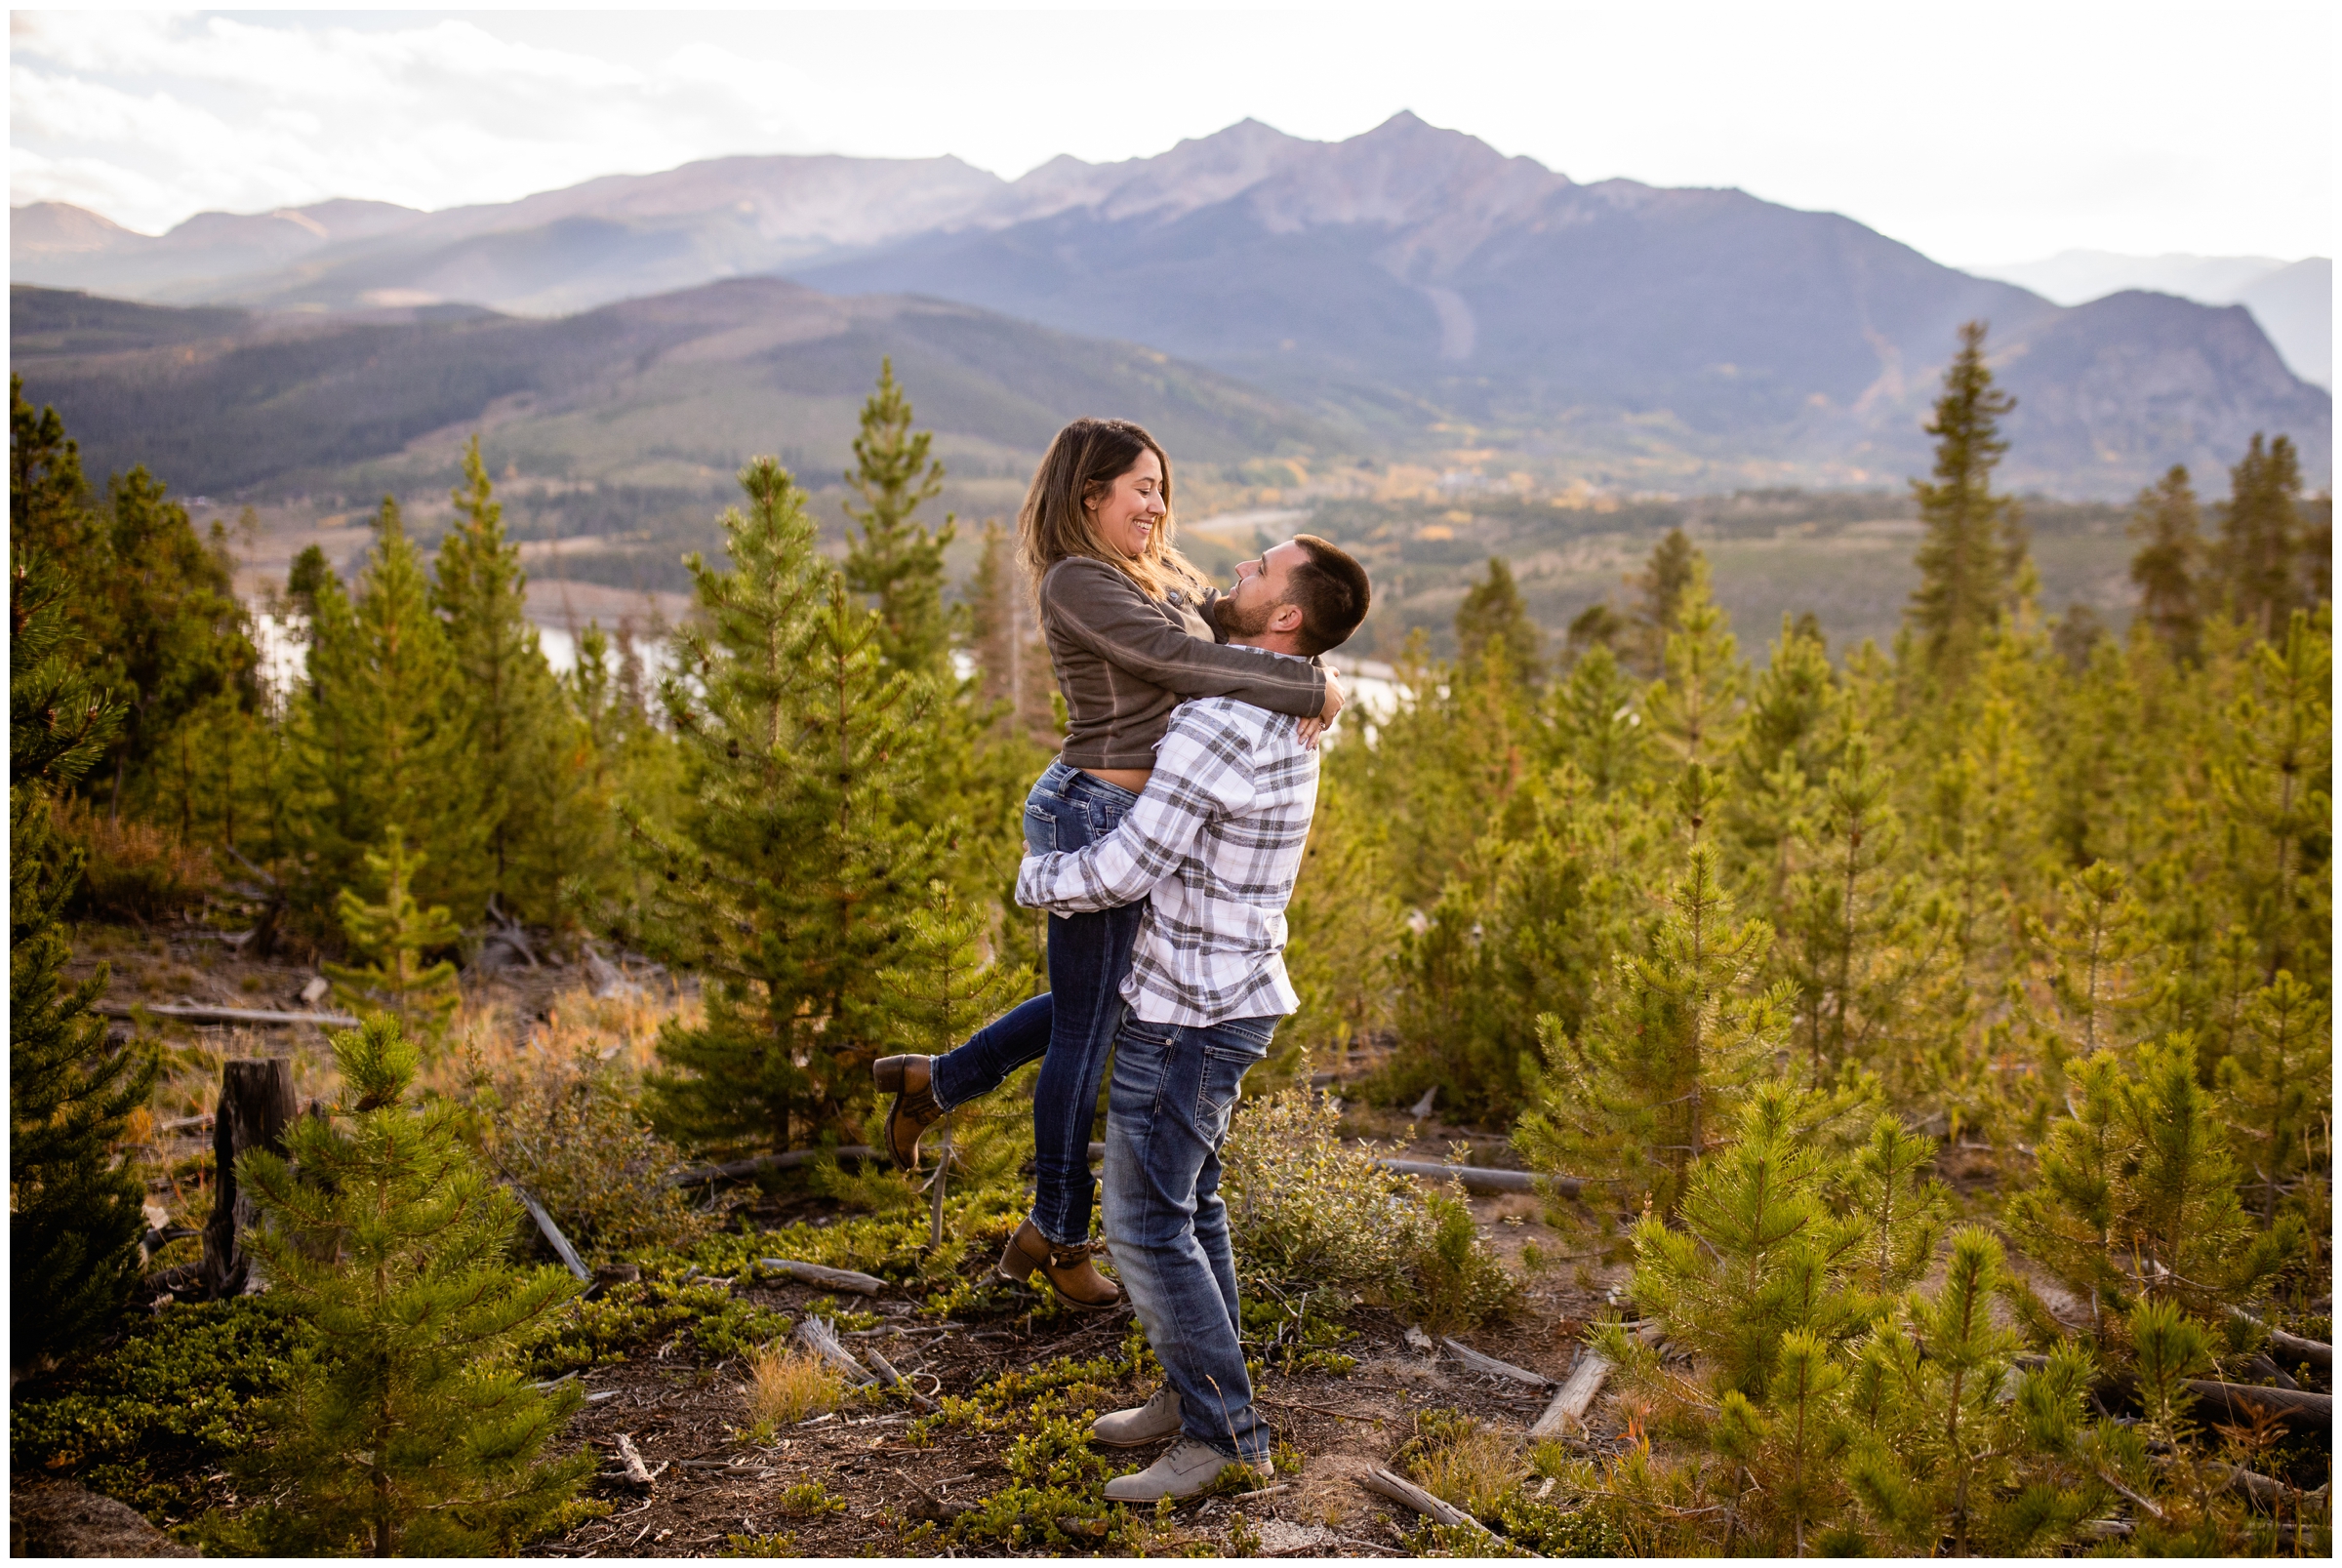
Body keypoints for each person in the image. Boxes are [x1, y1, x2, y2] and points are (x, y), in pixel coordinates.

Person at [870, 420, 1345, 1310]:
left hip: (1125, 808)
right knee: (1089, 1032)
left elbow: (1246, 630)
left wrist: (1316, 675)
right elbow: (1180, 660)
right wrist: (1312, 689)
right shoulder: (1078, 580)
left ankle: (937, 1082)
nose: (1159, 505)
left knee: (1098, 1005)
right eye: (1141, 488)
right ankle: (1056, 1230)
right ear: (1091, 495)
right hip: (1091, 812)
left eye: (1162, 486)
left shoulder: (1153, 570)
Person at [1016, 533, 1372, 1502]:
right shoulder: (1282, 699)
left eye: (1258, 572)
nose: (1234, 577)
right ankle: (1195, 1390)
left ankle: (1224, 1435)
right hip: (1230, 998)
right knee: (1190, 1203)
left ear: (1287, 615)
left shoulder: (1222, 722)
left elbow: (1131, 864)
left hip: (1189, 1014)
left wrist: (1039, 874)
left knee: (1140, 1223)